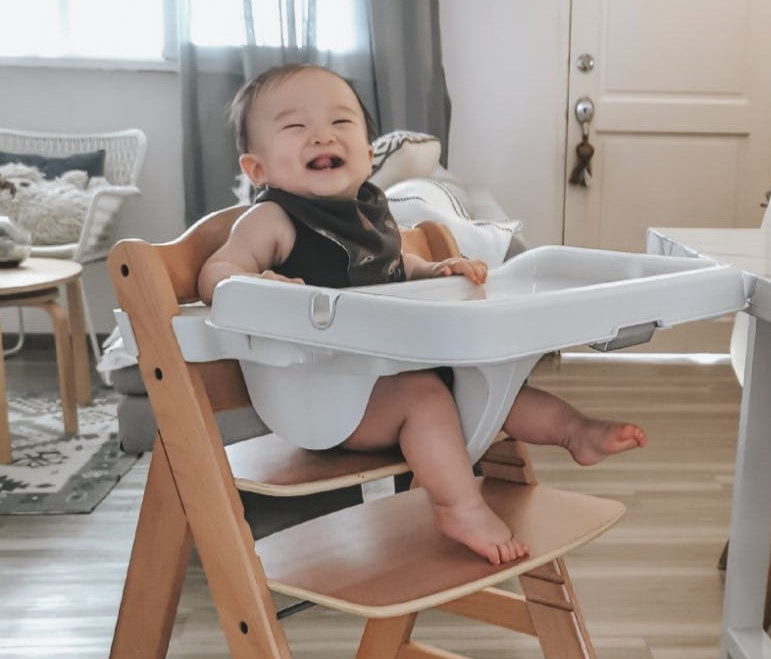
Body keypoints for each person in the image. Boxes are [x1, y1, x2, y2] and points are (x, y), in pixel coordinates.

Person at [198, 63, 647, 564]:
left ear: (367, 156)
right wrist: (256, 286)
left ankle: (574, 431)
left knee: (493, 388)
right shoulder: (273, 218)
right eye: (295, 126)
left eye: (341, 122)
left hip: (385, 376)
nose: (321, 134)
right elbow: (219, 269)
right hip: (324, 400)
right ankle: (459, 505)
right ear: (257, 169)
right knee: (428, 398)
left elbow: (389, 267)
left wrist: (432, 270)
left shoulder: (372, 211)